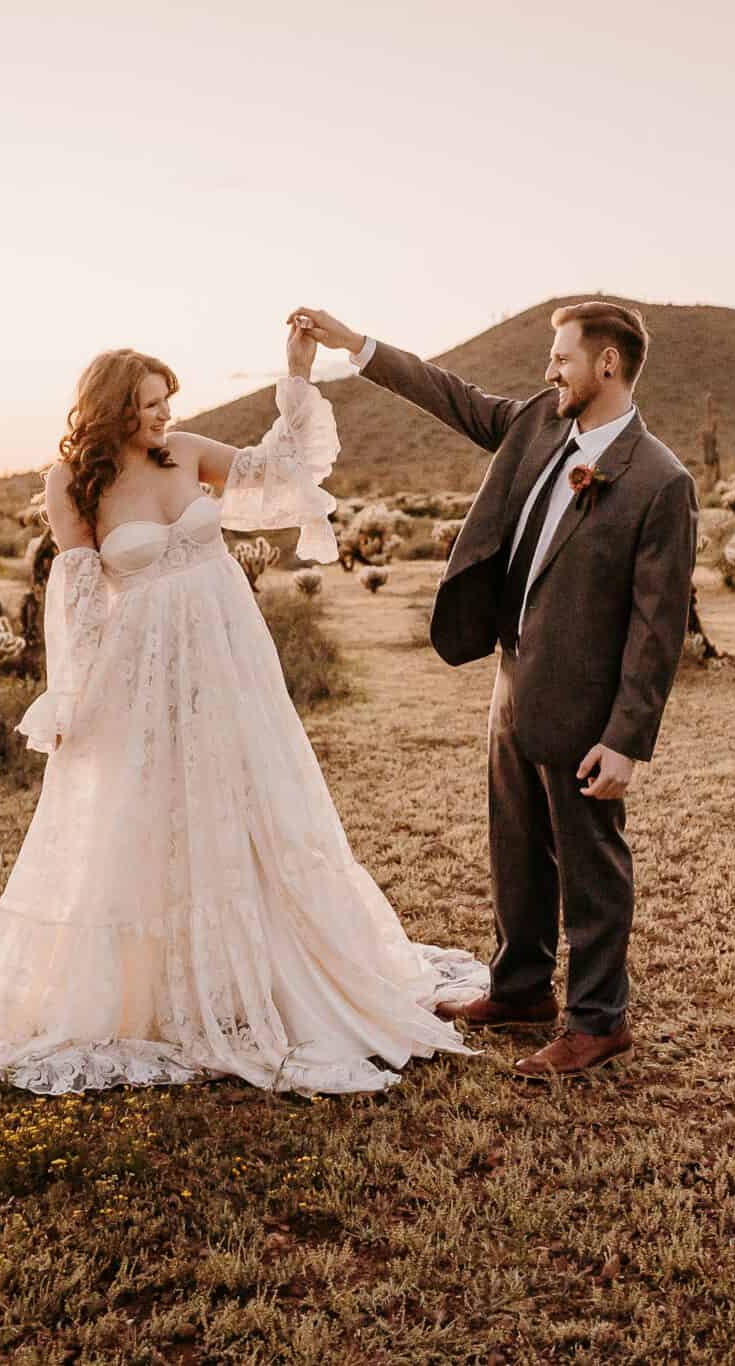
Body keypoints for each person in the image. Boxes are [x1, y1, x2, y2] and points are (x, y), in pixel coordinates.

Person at [0, 320, 486, 1095]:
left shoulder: (188, 451)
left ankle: (261, 968)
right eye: (148, 404)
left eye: (168, 400)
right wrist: (72, 697)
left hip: (228, 656)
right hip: (142, 667)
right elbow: (78, 595)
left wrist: (297, 375)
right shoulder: (73, 482)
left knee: (251, 794)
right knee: (152, 807)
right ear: (109, 409)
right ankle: (163, 983)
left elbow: (281, 470)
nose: (165, 415)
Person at [290, 301, 698, 1077]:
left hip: (584, 699)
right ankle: (519, 988)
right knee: (515, 843)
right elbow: (451, 395)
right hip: (513, 676)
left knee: (590, 860)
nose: (550, 371)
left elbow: (658, 626)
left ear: (607, 365)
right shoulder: (539, 425)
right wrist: (356, 347)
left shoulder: (659, 481)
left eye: (562, 358)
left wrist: (626, 739)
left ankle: (599, 1020)